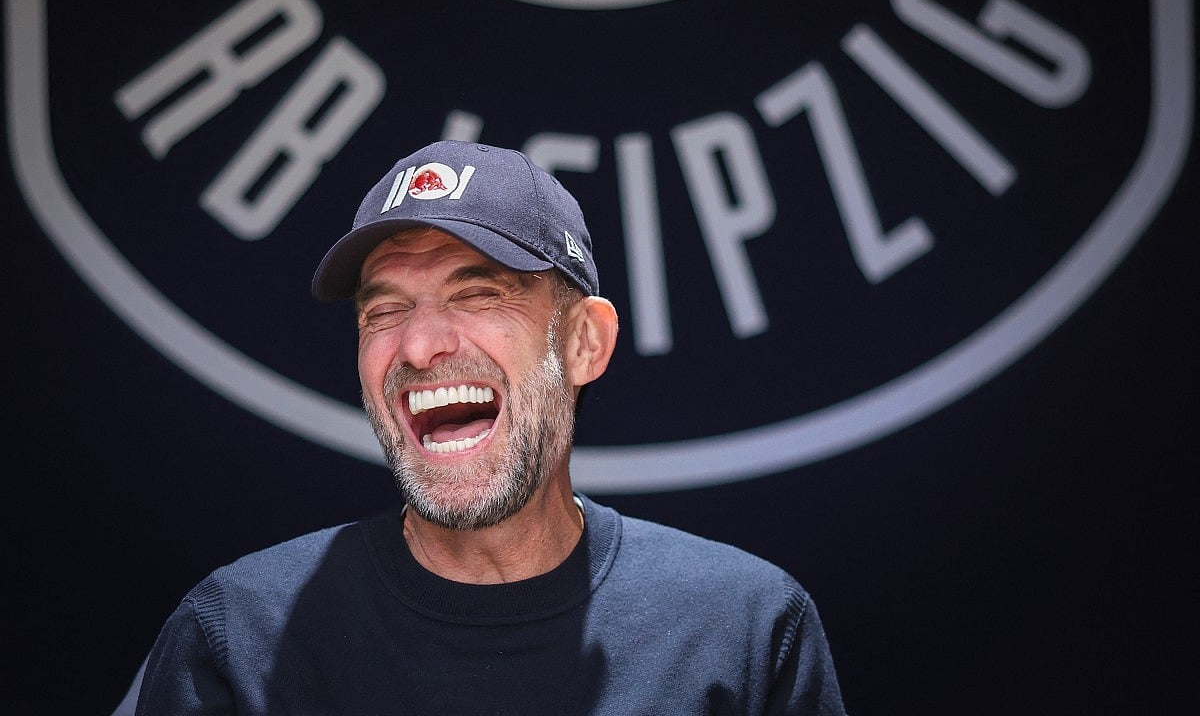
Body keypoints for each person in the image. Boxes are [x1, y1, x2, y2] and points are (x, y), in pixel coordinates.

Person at [133, 140, 847, 715]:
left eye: (477, 295)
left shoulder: (742, 628)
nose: (417, 348)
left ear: (583, 345)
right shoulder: (240, 635)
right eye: (383, 312)